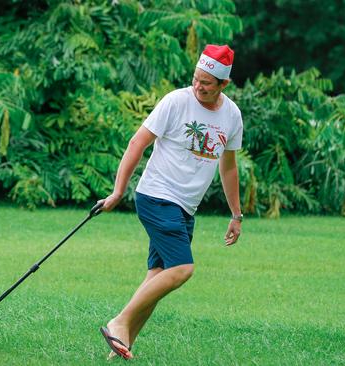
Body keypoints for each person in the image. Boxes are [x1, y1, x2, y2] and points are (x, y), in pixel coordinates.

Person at [98, 44, 244, 360]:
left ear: (223, 85)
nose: (198, 86)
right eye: (196, 78)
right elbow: (137, 142)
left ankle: (123, 345)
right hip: (156, 196)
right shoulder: (176, 102)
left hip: (185, 208)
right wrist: (118, 191)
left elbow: (228, 166)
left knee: (159, 276)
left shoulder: (232, 115)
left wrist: (236, 214)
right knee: (182, 268)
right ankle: (119, 322)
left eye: (206, 83)